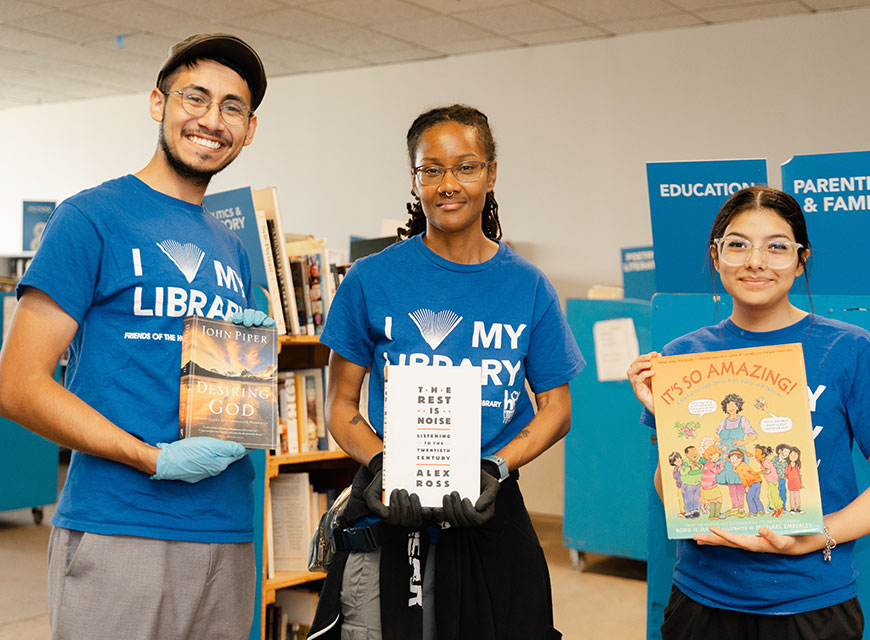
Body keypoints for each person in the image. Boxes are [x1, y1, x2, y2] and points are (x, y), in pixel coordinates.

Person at [0, 34, 272, 640]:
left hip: (227, 530)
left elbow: (211, 387)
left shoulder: (231, 246)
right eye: (195, 97)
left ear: (249, 130)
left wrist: (251, 366)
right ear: (158, 103)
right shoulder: (90, 217)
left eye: (233, 107)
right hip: (121, 526)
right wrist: (153, 458)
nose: (211, 119)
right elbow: (17, 385)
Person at [307, 104, 585, 640]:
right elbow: (341, 406)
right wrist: (384, 464)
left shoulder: (527, 287)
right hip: (392, 512)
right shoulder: (370, 279)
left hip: (490, 509)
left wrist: (495, 469)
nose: (447, 183)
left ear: (492, 172)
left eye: (466, 166)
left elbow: (557, 408)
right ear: (414, 179)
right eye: (430, 169)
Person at [627, 186, 870, 639]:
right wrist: (667, 422)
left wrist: (818, 535)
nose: (755, 261)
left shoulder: (850, 348)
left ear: (801, 261)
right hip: (702, 599)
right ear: (716, 257)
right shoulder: (684, 356)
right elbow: (671, 489)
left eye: (777, 247)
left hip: (812, 603)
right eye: (737, 245)